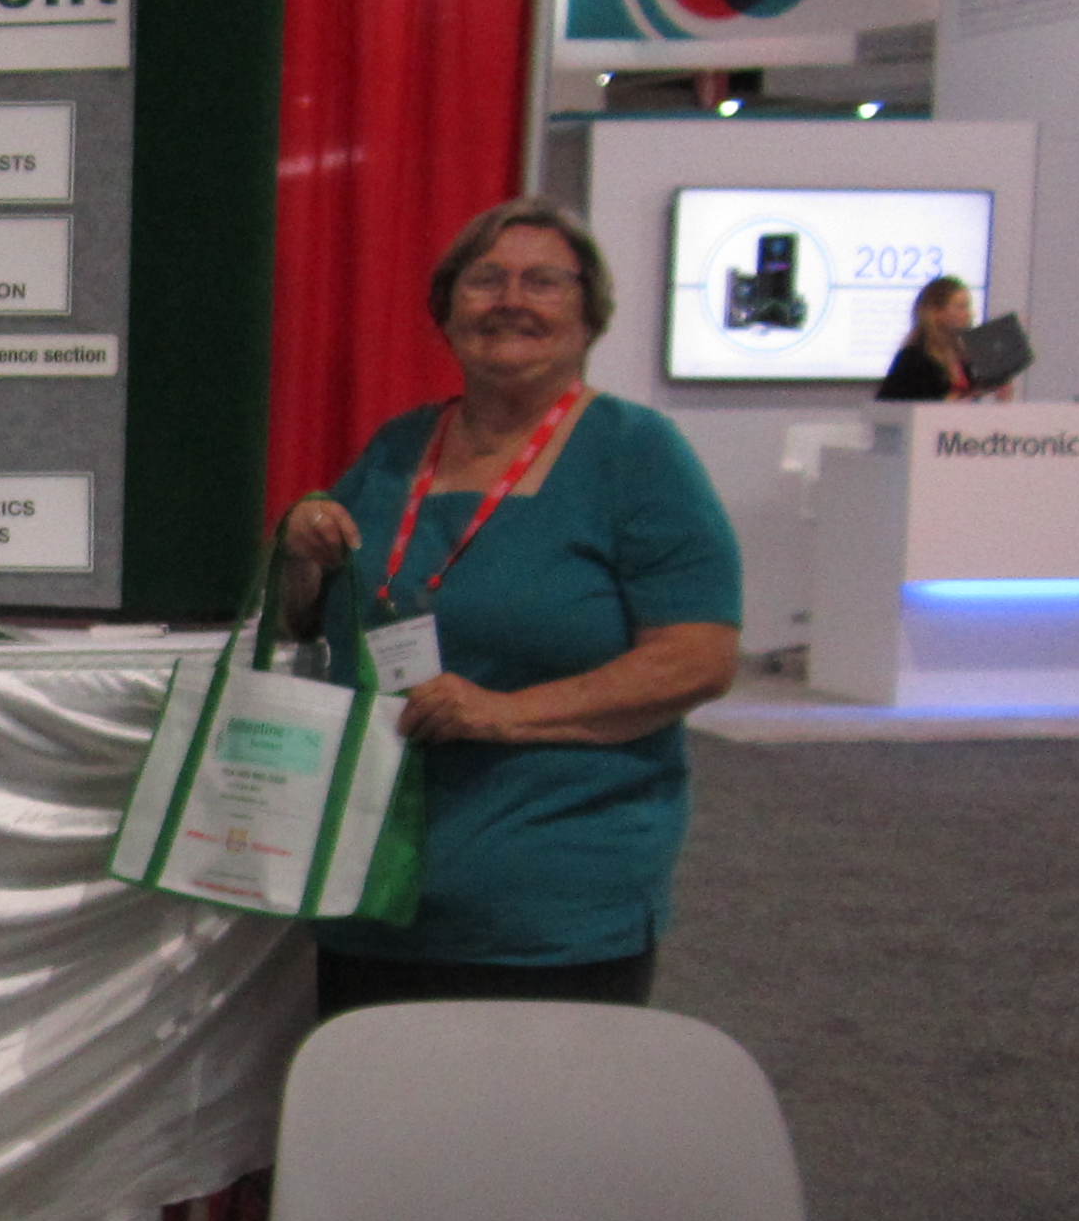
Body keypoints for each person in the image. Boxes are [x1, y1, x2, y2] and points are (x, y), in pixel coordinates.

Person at [273, 198, 743, 1017]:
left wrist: (503, 712)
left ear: (589, 315)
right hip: (371, 882)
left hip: (549, 902)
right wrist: (297, 554)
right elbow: (311, 621)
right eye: (484, 279)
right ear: (447, 310)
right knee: (382, 1130)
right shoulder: (396, 446)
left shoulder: (637, 454)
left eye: (543, 281)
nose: (509, 299)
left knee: (536, 1136)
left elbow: (698, 657)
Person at [876, 275, 980, 400]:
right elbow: (891, 405)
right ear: (937, 313)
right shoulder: (914, 359)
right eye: (961, 307)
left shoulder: (965, 357)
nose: (969, 314)